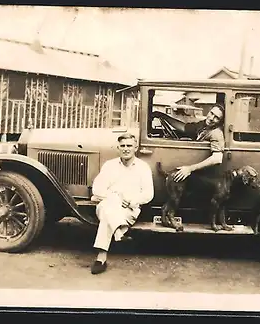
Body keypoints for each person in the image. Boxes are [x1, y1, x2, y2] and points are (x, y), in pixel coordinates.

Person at [90, 132, 154, 275]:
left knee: (107, 214)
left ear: (135, 148)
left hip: (128, 210)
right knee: (110, 203)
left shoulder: (143, 167)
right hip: (107, 204)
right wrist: (116, 196)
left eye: (129, 146)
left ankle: (101, 258)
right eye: (123, 146)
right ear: (118, 148)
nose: (126, 149)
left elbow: (149, 194)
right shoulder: (109, 165)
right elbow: (97, 188)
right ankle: (119, 231)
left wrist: (133, 201)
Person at [152, 104, 225, 182]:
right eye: (211, 113)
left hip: (201, 177)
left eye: (216, 118)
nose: (211, 118)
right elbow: (184, 128)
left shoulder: (216, 133)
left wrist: (189, 168)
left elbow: (217, 158)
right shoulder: (204, 125)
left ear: (220, 122)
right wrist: (163, 116)